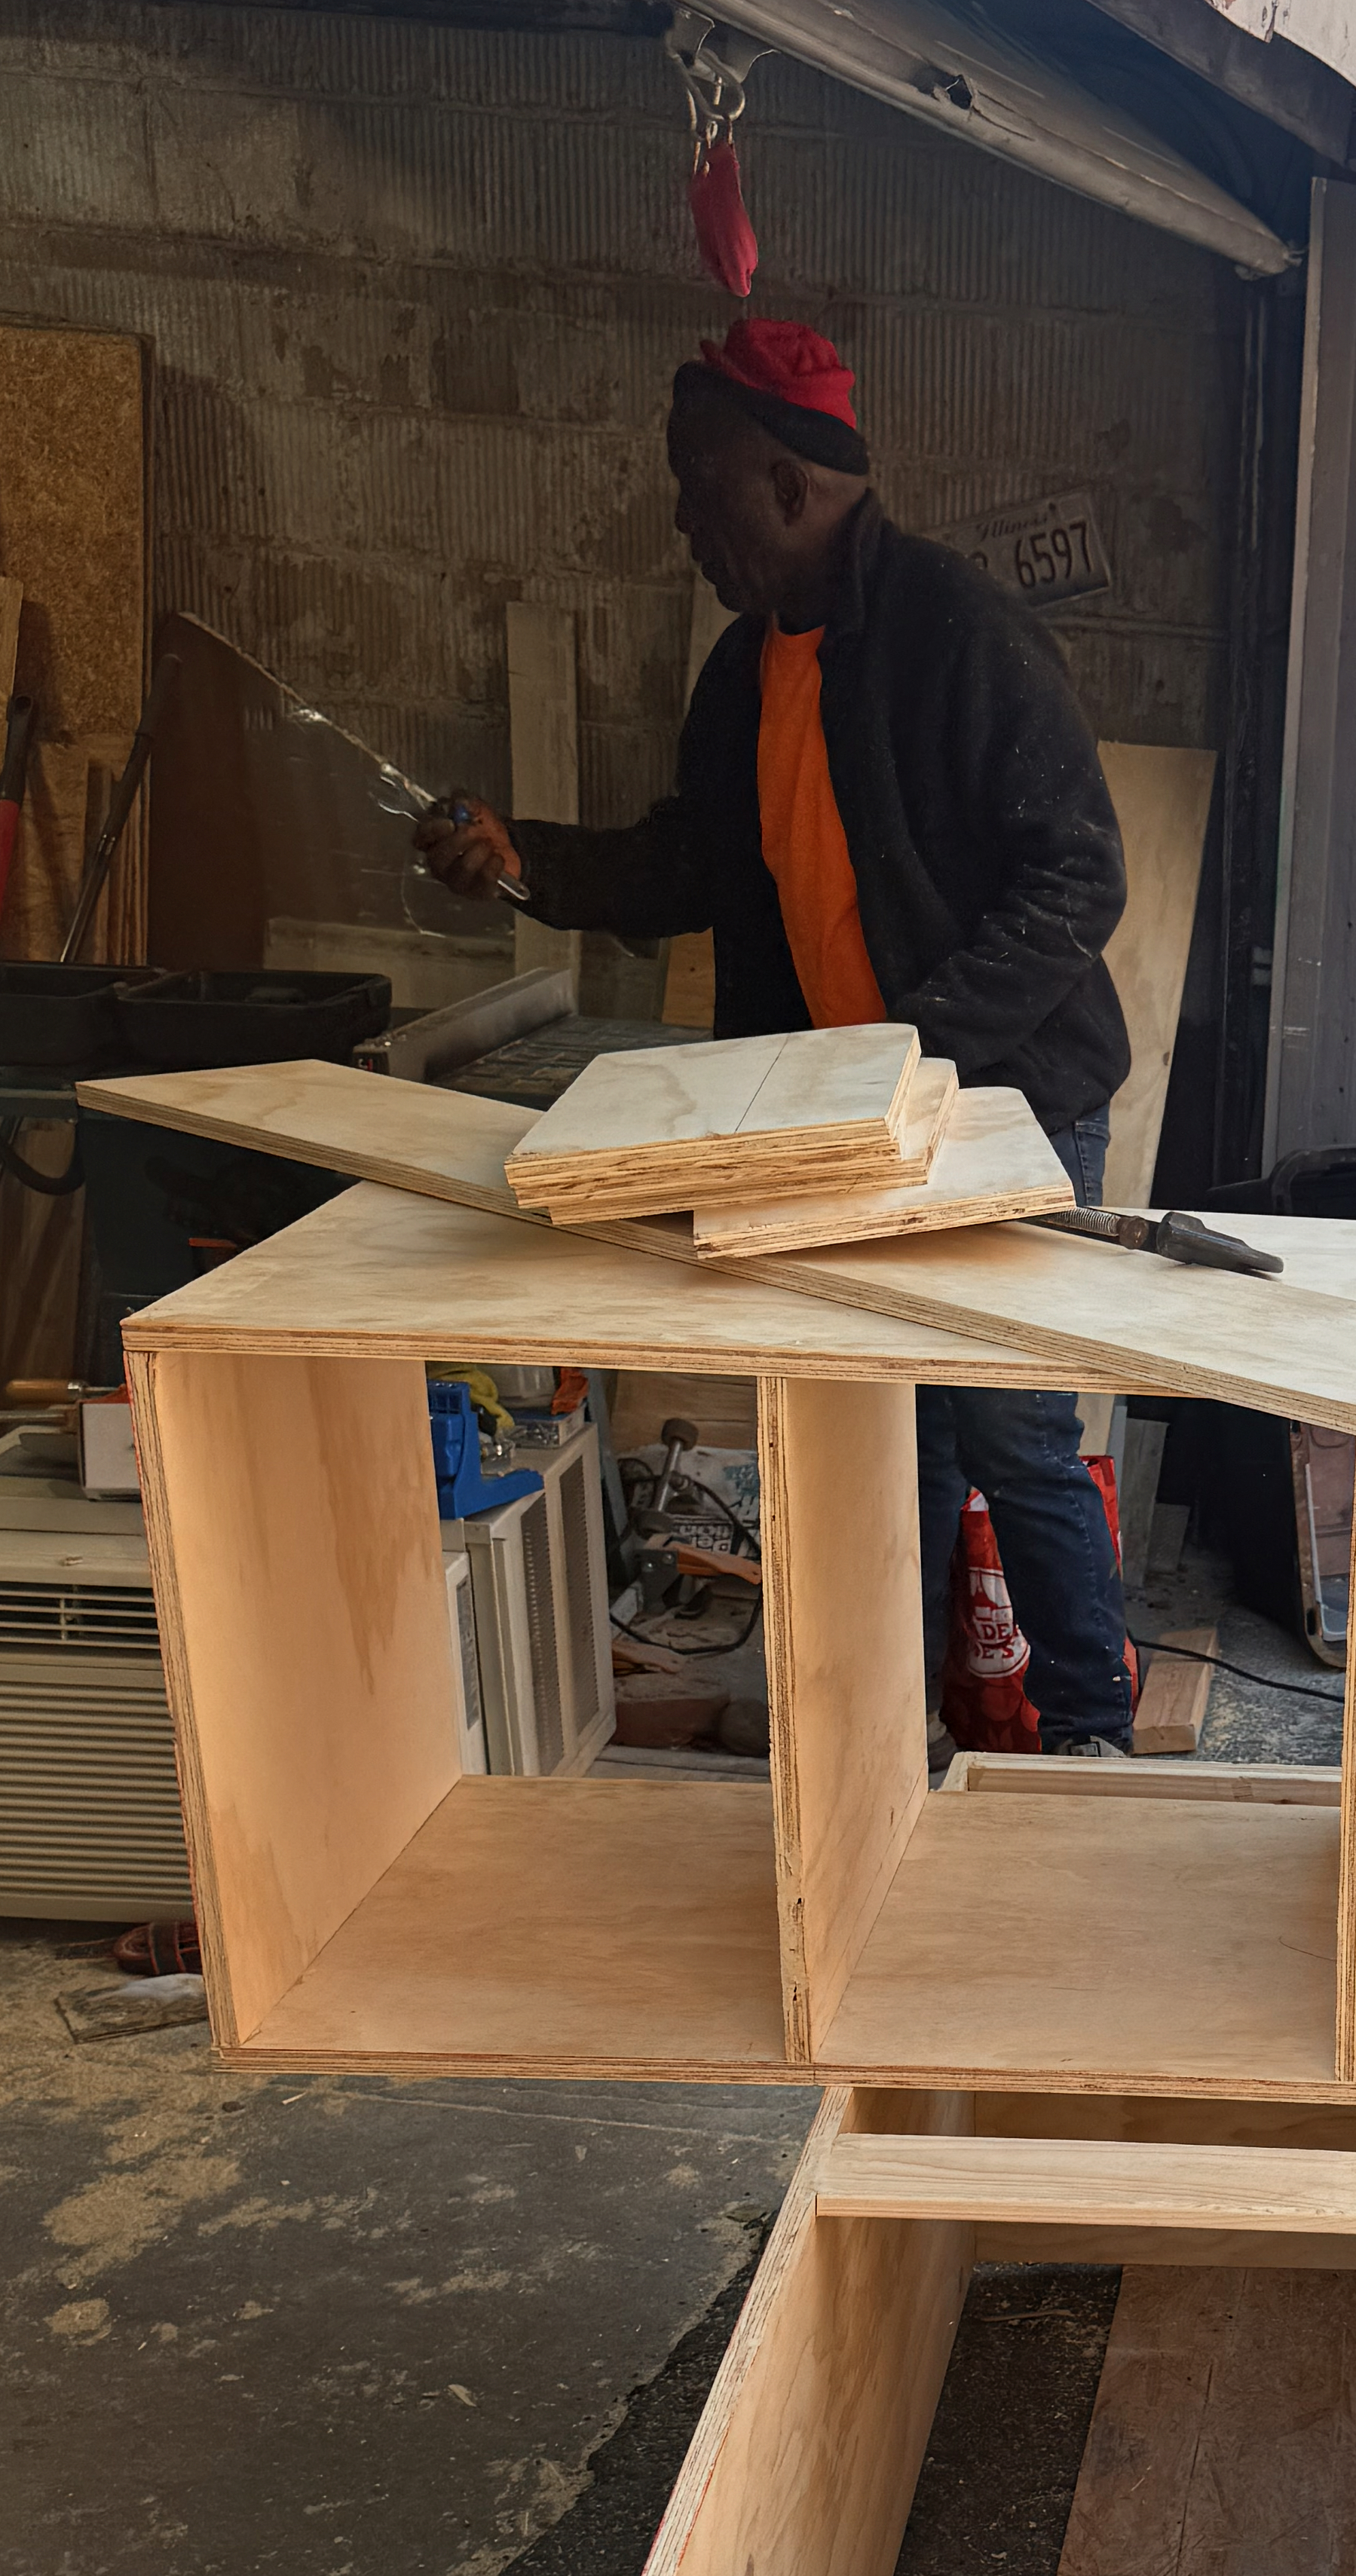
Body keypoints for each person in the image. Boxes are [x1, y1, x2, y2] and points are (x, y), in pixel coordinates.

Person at [424, 314, 1137, 1751]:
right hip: (840, 1116)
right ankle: (901, 1734)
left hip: (998, 1104)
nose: (682, 520)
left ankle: (1093, 1733)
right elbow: (693, 862)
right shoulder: (750, 669)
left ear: (791, 486)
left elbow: (1081, 877)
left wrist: (914, 1047)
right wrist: (523, 861)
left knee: (1012, 1430)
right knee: (891, 1432)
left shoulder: (961, 632)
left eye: (698, 486)